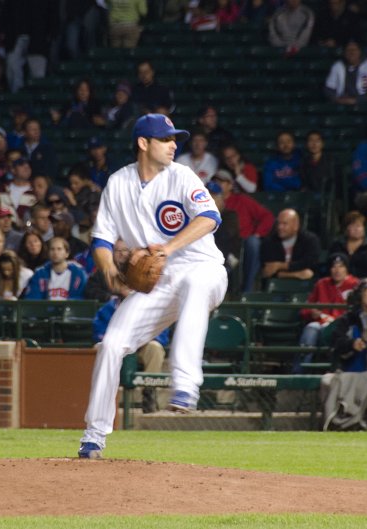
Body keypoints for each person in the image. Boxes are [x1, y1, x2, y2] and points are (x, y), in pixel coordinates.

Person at [78, 113, 227, 459]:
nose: (174, 145)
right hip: (157, 284)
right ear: (143, 143)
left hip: (203, 267)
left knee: (194, 285)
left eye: (175, 139)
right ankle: (93, 436)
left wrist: (168, 249)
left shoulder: (181, 175)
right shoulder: (118, 183)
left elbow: (210, 217)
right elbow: (101, 239)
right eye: (166, 139)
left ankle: (185, 386)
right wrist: (109, 270)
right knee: (111, 344)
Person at [93, 293, 169, 413]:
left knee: (155, 348)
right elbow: (98, 334)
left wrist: (144, 339)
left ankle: (149, 392)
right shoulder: (108, 308)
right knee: (101, 348)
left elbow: (162, 336)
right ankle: (102, 398)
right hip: (117, 351)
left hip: (140, 349)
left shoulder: (151, 307)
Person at [213, 169, 274, 292]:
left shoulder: (242, 200)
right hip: (220, 242)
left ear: (230, 185)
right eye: (215, 181)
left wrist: (258, 233)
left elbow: (267, 216)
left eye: (222, 182)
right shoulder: (209, 201)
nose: (218, 184)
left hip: (242, 241)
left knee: (253, 242)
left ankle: (247, 290)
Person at [297, 253, 359, 357]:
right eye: (334, 267)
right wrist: (312, 313)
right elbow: (304, 310)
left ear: (346, 269)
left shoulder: (355, 284)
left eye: (341, 266)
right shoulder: (321, 284)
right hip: (323, 324)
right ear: (329, 269)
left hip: (344, 326)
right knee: (311, 328)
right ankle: (301, 366)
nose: (337, 270)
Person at [330, 278, 367, 372]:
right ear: (360, 295)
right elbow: (337, 343)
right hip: (357, 373)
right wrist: (352, 344)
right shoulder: (349, 319)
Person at [1, 0, 59, 93]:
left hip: (38, 37)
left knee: (38, 76)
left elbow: (53, 12)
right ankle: (17, 97)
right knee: (12, 67)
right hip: (16, 36)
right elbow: (6, 10)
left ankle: (36, 99)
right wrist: (2, 29)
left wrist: (51, 33)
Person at [260, 208, 321, 281]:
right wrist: (296, 274)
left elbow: (309, 264)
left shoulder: (310, 240)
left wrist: (279, 265)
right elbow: (268, 272)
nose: (279, 227)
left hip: (306, 284)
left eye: (284, 224)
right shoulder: (269, 242)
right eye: (278, 223)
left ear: (296, 226)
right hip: (277, 284)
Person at [23, 237, 88, 300]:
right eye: (52, 249)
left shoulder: (78, 273)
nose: (55, 252)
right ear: (48, 253)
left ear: (67, 253)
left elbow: (82, 298)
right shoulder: (40, 273)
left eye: (59, 249)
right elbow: (33, 298)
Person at [324, 40, 367, 106]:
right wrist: (337, 100)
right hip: (341, 103)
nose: (351, 52)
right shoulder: (338, 65)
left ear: (359, 52)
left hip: (363, 103)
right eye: (348, 50)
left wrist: (356, 100)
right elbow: (328, 89)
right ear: (344, 53)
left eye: (354, 50)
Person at [328, 211, 367, 278]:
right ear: (346, 229)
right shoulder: (337, 245)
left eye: (359, 226)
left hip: (365, 281)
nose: (356, 229)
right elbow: (330, 266)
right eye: (352, 226)